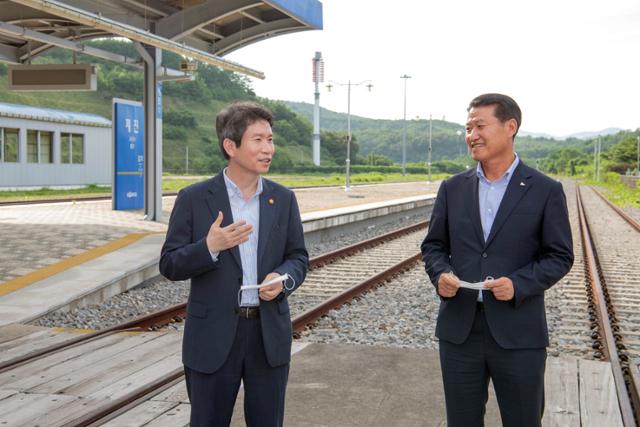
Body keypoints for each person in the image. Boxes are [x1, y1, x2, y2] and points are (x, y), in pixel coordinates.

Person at [421, 93, 573, 427]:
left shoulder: (545, 190)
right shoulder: (453, 188)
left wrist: (519, 284)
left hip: (519, 334)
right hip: (460, 332)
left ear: (510, 127)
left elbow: (560, 255)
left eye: (479, 125)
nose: (471, 134)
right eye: (467, 127)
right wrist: (441, 274)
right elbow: (433, 246)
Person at [160, 101, 308, 427]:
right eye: (258, 139)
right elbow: (169, 264)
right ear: (231, 145)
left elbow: (298, 257)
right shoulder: (195, 198)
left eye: (270, 139)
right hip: (212, 337)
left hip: (268, 335)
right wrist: (209, 247)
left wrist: (283, 279)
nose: (268, 148)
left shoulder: (283, 199)